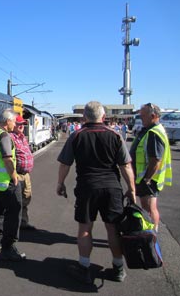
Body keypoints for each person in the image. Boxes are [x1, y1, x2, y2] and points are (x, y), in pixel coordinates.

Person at [56, 101, 136, 284]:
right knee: (113, 228)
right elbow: (125, 166)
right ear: (103, 117)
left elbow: (65, 164)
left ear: (84, 117)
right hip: (112, 188)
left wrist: (60, 184)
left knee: (85, 228)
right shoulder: (115, 136)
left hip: (87, 187)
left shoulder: (76, 136)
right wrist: (132, 189)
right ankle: (118, 268)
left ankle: (84, 268)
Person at [0, 108, 25, 261]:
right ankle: (8, 248)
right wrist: (14, 176)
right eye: (14, 121)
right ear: (7, 121)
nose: (15, 124)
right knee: (14, 214)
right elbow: (8, 159)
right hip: (6, 182)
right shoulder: (4, 136)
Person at [129, 103, 172, 232]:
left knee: (149, 207)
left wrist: (147, 178)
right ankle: (150, 232)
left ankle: (152, 234)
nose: (141, 118)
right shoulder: (150, 130)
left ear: (153, 116)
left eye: (143, 116)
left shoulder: (154, 133)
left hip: (148, 179)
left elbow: (156, 159)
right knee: (146, 206)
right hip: (145, 178)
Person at [10, 115, 36, 230]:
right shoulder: (10, 137)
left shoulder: (22, 137)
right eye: (19, 124)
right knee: (16, 201)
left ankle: (23, 222)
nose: (21, 126)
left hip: (26, 174)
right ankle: (14, 225)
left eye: (22, 124)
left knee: (26, 198)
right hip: (18, 174)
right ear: (13, 124)